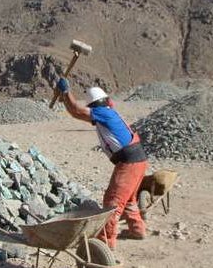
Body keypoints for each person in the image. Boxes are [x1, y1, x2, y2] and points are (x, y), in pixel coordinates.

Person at [54, 78, 149, 250]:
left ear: (94, 105)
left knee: (113, 202)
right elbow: (75, 110)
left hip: (128, 162)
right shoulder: (108, 112)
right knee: (128, 200)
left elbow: (76, 110)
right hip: (138, 159)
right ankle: (137, 229)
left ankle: (105, 243)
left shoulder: (102, 112)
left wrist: (66, 91)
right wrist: (64, 99)